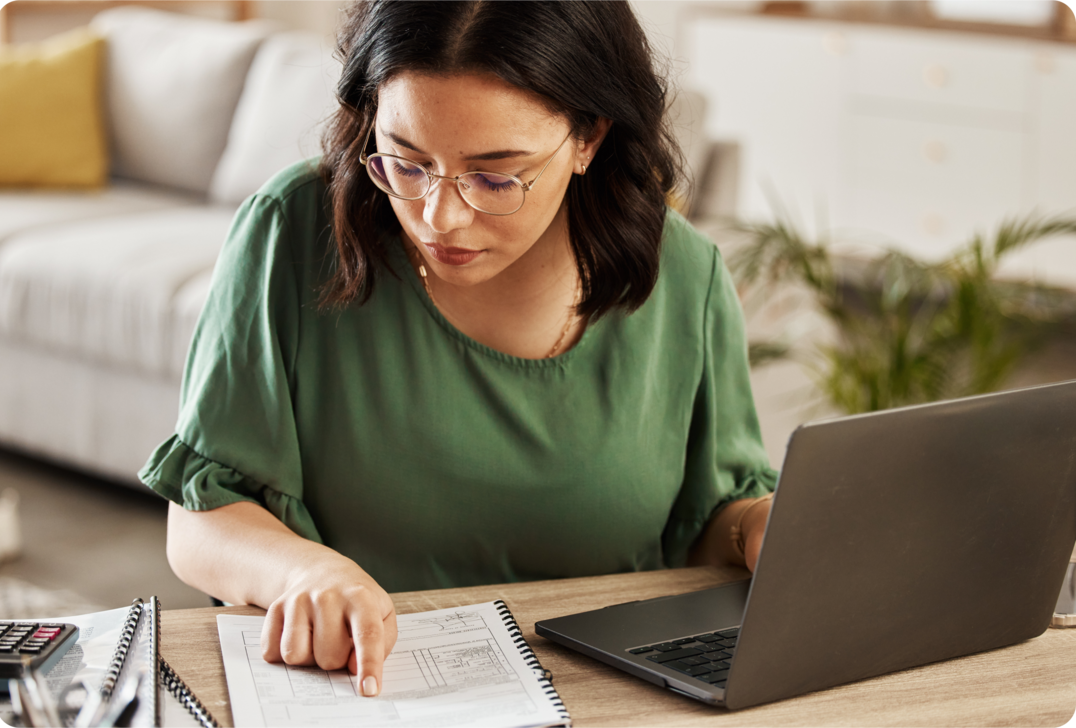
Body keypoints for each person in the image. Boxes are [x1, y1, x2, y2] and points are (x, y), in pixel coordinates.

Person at [139, 0, 778, 699]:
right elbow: (199, 520)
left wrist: (758, 527)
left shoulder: (685, 274)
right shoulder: (292, 232)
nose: (439, 218)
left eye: (496, 177)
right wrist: (304, 573)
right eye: (405, 163)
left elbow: (711, 522)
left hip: (615, 701)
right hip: (366, 694)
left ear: (590, 137)